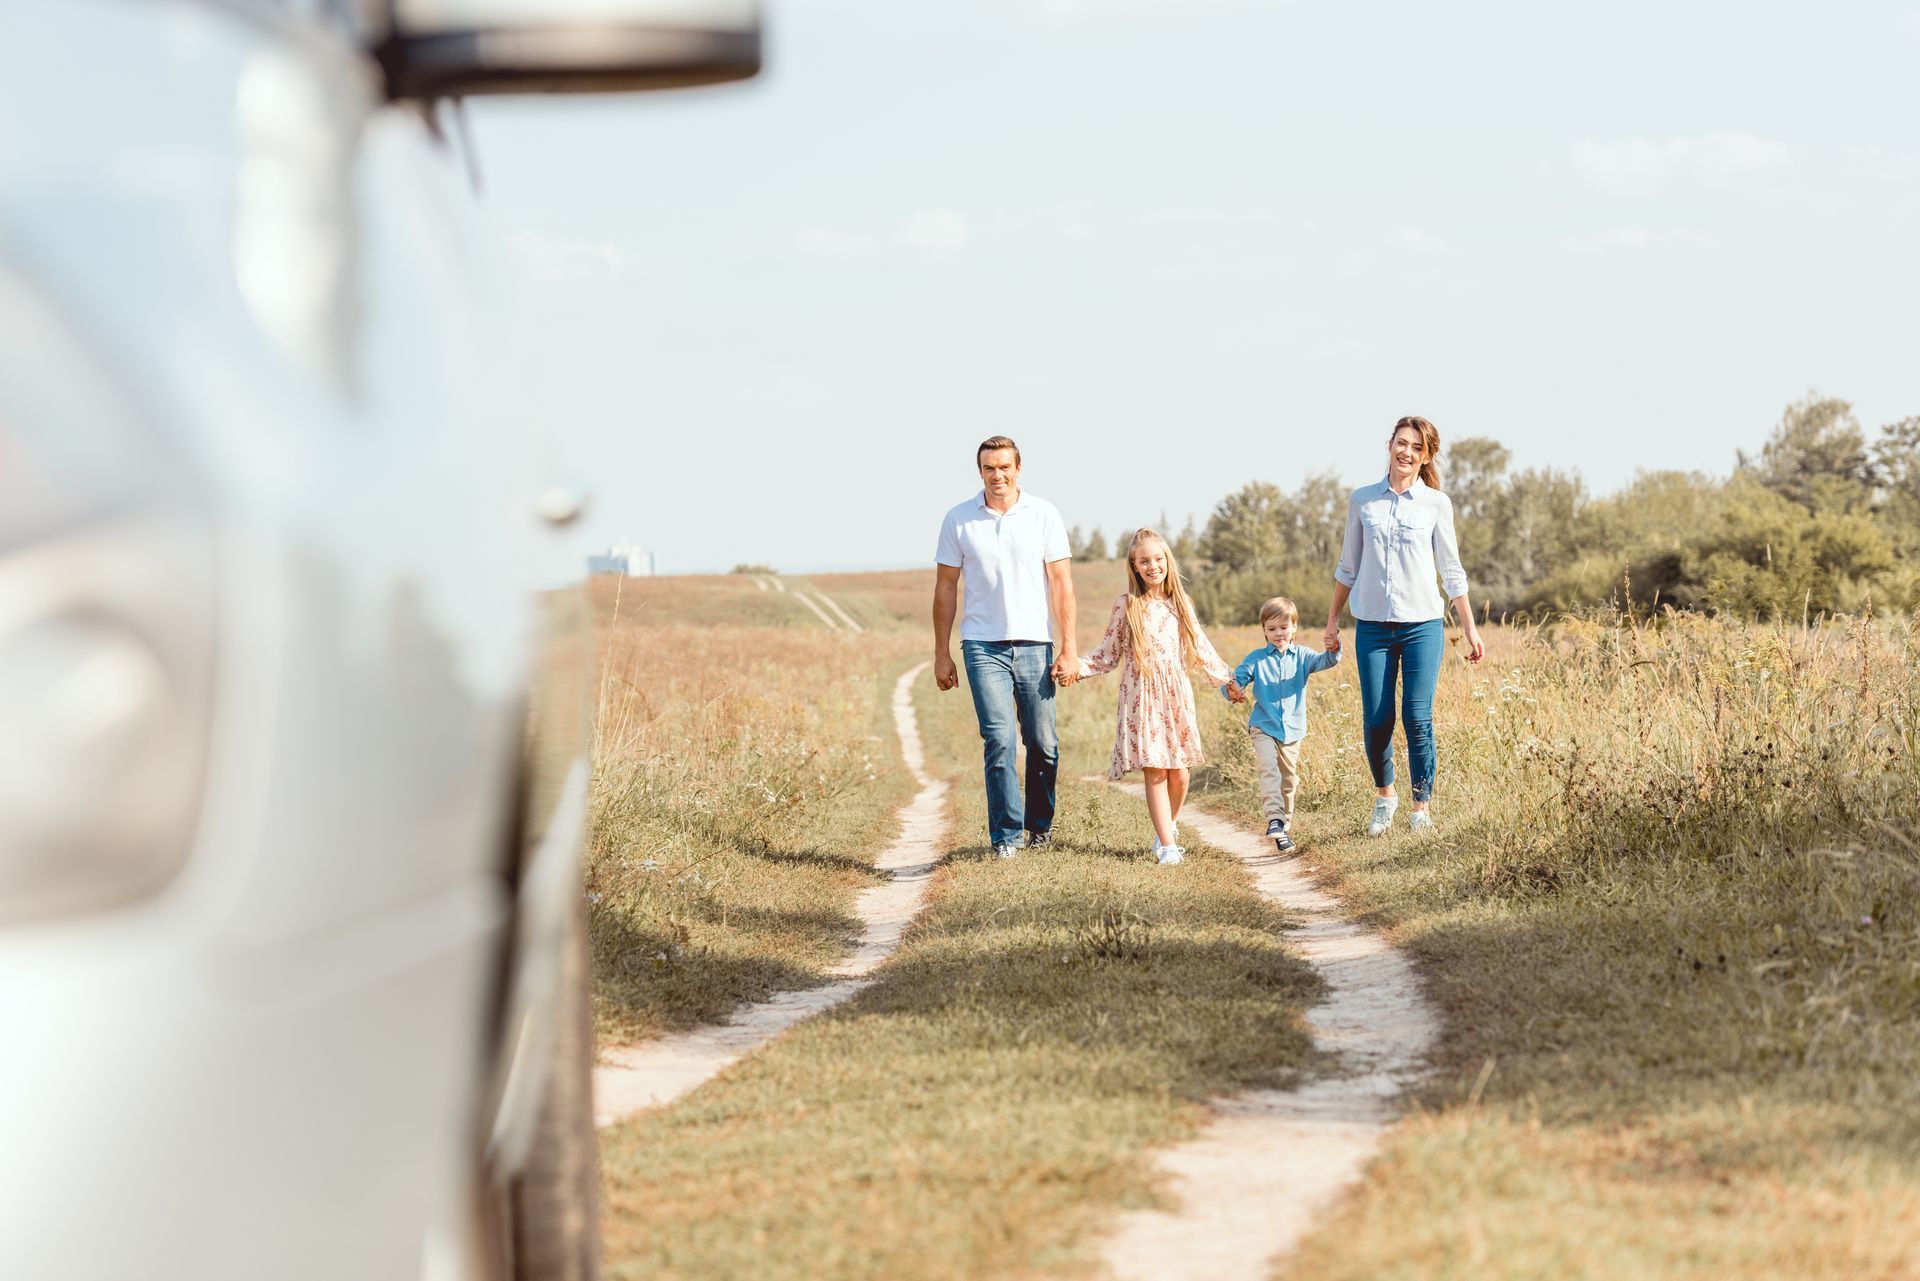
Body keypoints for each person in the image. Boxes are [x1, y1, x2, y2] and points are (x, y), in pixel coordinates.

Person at [1325, 415, 1485, 837]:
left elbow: (1452, 572)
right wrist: (1331, 623)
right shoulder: (1362, 501)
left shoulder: (1436, 503)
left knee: (1417, 718)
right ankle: (1385, 798)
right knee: (1377, 719)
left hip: (1422, 626)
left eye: (1416, 447)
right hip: (1373, 627)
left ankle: (1421, 808)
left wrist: (1470, 628)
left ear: (1426, 455)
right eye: (1401, 443)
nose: (1406, 452)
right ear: (1389, 445)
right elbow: (1348, 566)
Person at [933, 436, 1077, 860]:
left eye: (1004, 468)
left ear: (1018, 470)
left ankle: (1039, 830)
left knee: (1042, 742)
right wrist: (942, 653)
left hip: (1036, 643)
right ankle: (1007, 838)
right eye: (989, 468)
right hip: (982, 645)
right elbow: (945, 588)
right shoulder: (959, 519)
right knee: (998, 739)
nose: (997, 476)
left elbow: (1062, 585)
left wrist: (1069, 648)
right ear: (979, 471)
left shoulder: (1044, 514)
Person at [1067, 528, 1233, 865]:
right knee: (1156, 770)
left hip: (1176, 694)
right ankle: (1169, 847)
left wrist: (1227, 680)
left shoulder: (1181, 604)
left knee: (1181, 773)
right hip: (1142, 695)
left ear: (1168, 562)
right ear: (1134, 565)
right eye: (1144, 561)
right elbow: (1108, 653)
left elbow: (1200, 647)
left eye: (1158, 559)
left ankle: (1165, 829)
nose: (1152, 566)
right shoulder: (1127, 606)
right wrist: (1076, 667)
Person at [1221, 596, 1340, 854]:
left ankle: (1283, 828)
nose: (1278, 633)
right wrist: (1233, 689)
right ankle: (1274, 818)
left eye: (1284, 628)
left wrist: (1333, 648)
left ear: (1294, 628)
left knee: (1289, 782)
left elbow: (1327, 661)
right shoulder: (1256, 659)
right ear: (1264, 630)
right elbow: (1236, 680)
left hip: (1293, 731)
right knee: (1269, 770)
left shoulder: (1304, 657)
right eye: (1272, 629)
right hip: (1263, 726)